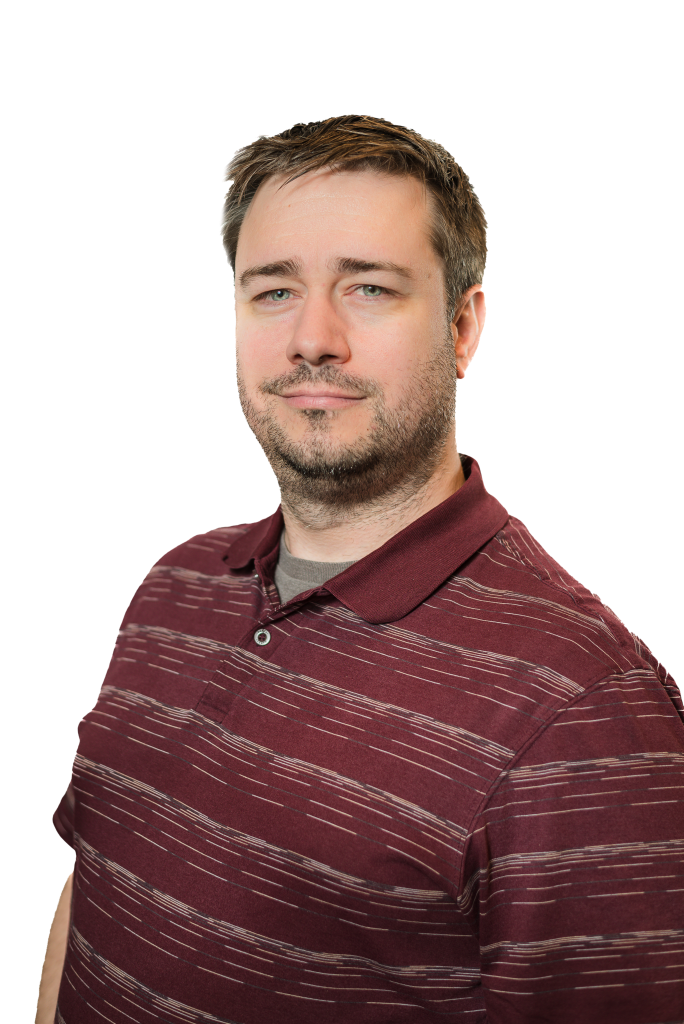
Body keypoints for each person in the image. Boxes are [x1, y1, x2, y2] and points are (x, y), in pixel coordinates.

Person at [39, 114, 683, 1024]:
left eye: (370, 288)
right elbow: (91, 883)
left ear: (463, 326)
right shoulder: (173, 584)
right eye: (273, 291)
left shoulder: (584, 707)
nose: (313, 339)